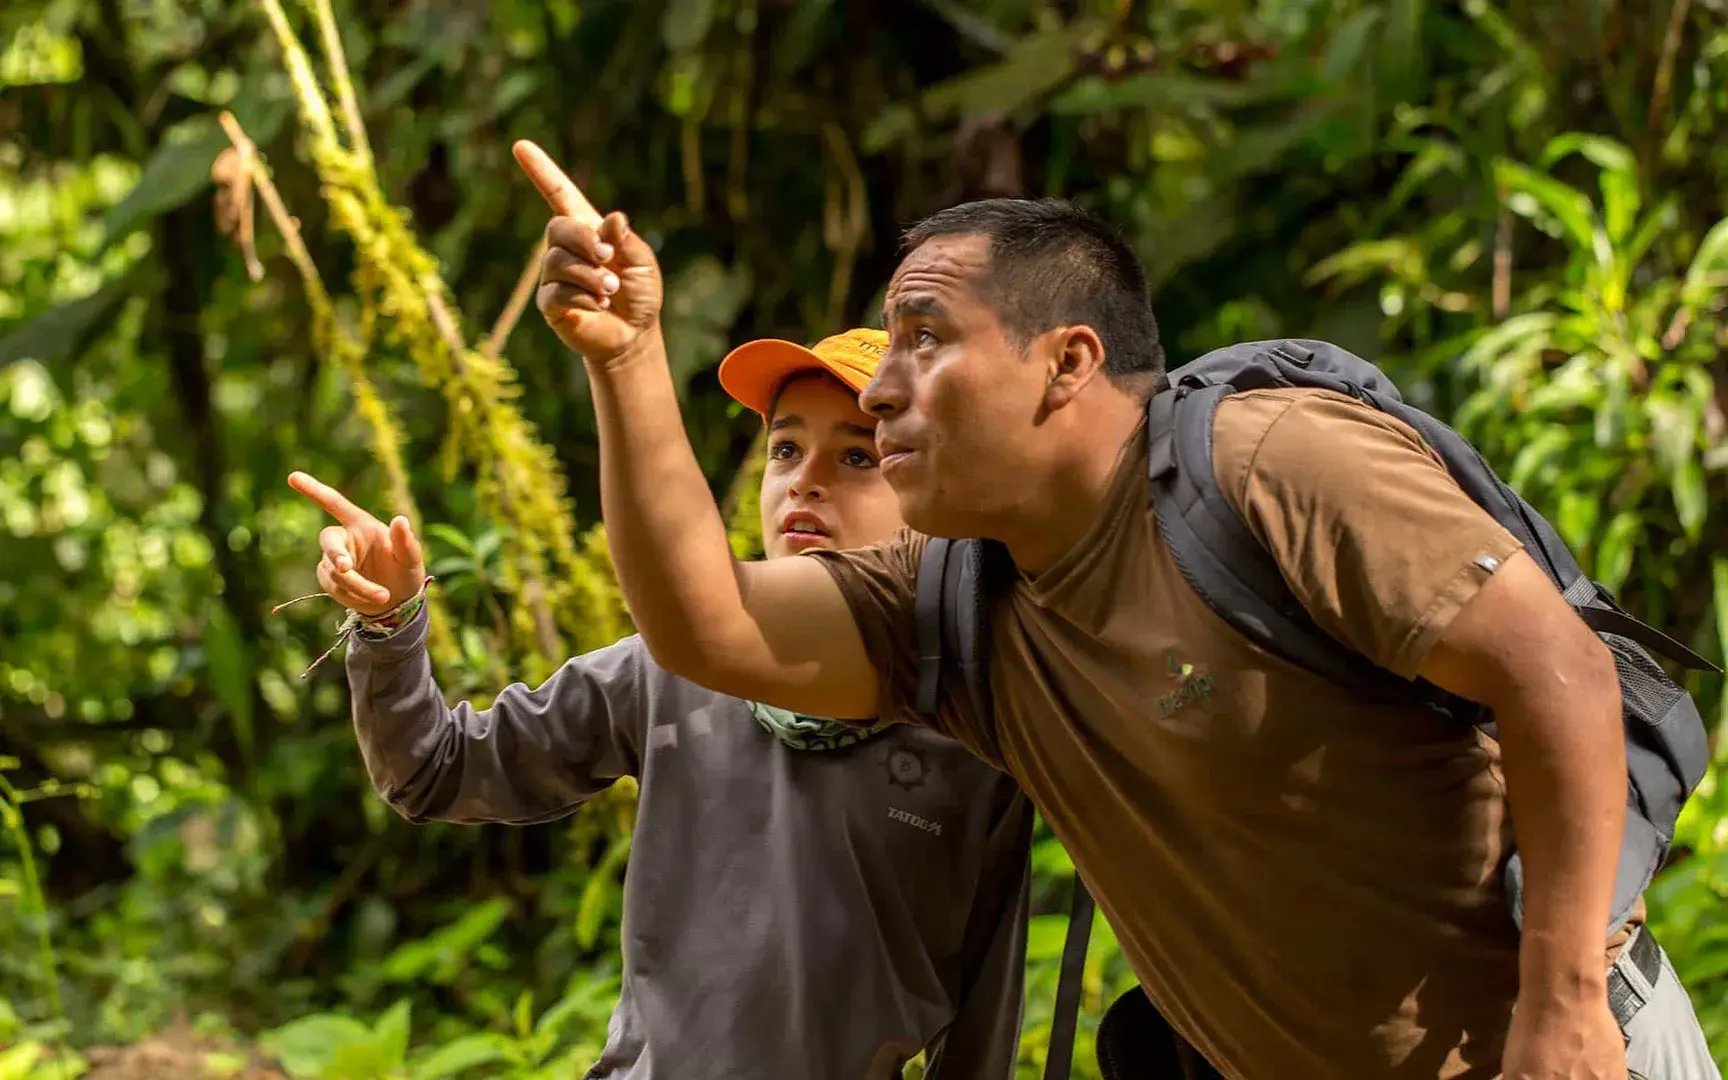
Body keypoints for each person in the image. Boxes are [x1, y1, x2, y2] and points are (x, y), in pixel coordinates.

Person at [515, 137, 1717, 1080]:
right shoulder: (957, 605)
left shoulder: (1268, 462)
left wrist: (1560, 1008)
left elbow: (1556, 669)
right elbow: (706, 627)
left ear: (1068, 364)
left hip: (1561, 1054)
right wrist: (626, 362)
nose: (881, 391)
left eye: (923, 339)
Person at [284, 325, 1034, 1080]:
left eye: (858, 456)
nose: (804, 481)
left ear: (932, 499)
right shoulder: (675, 664)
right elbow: (435, 770)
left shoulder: (974, 720)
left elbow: (982, 1013)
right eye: (784, 449)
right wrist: (391, 622)